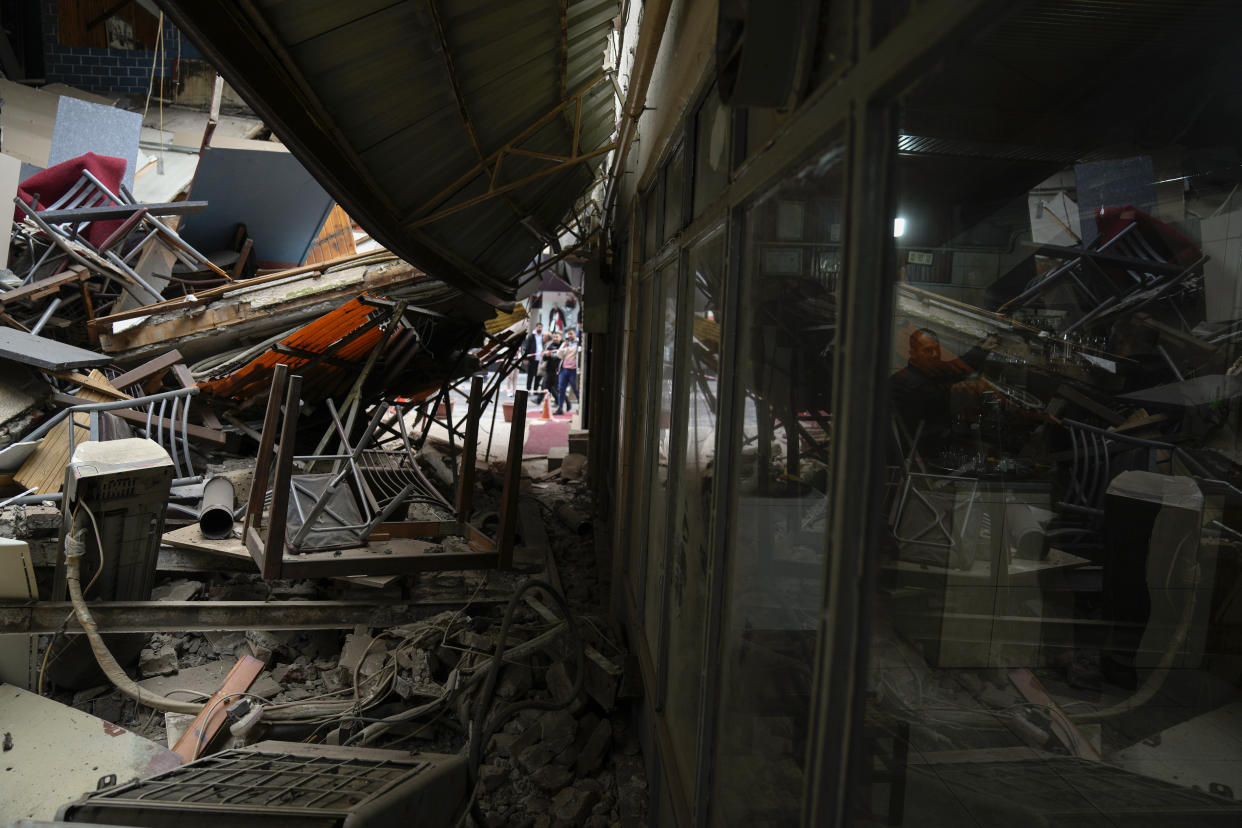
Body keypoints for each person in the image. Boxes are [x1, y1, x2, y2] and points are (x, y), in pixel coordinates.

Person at [890, 327, 997, 456]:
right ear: (913, 353)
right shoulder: (899, 383)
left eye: (937, 349)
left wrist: (982, 349)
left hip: (936, 449)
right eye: (928, 350)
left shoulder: (933, 372)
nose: (935, 354)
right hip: (916, 455)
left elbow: (960, 367)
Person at [555, 329, 579, 415]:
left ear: (575, 334)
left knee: (576, 389)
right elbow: (559, 355)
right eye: (568, 334)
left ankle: (581, 407)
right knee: (561, 388)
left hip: (574, 370)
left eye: (571, 334)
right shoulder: (565, 343)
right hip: (564, 369)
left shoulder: (578, 343)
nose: (569, 336)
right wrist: (563, 346)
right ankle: (560, 408)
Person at [541, 331, 563, 406]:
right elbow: (544, 358)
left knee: (555, 387)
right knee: (545, 386)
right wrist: (546, 355)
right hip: (549, 370)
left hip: (558, 370)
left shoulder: (562, 346)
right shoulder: (550, 346)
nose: (555, 339)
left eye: (557, 337)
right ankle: (542, 401)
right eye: (554, 337)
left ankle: (560, 401)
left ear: (560, 338)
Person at [523, 322, 543, 390]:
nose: (539, 328)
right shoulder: (531, 337)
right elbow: (527, 347)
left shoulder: (543, 337)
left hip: (540, 359)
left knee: (538, 375)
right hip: (532, 358)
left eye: (540, 327)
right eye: (538, 327)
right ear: (536, 327)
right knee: (530, 375)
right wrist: (525, 358)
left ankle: (535, 389)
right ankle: (528, 389)